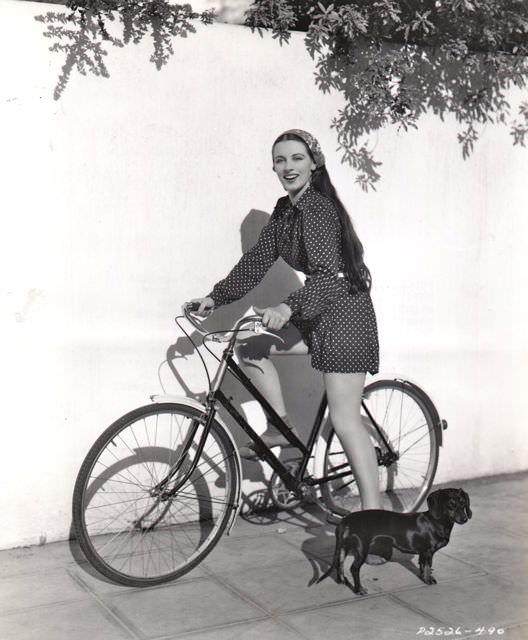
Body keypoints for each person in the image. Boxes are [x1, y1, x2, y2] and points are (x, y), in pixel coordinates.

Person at [189, 129, 381, 512]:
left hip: (346, 317)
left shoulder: (320, 210)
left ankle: (374, 517)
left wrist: (286, 308)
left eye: (296, 158)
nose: (288, 167)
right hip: (317, 313)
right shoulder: (284, 210)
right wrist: (215, 297)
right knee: (252, 348)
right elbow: (255, 262)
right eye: (280, 160)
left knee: (345, 421)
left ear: (314, 162)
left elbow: (328, 275)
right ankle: (282, 427)